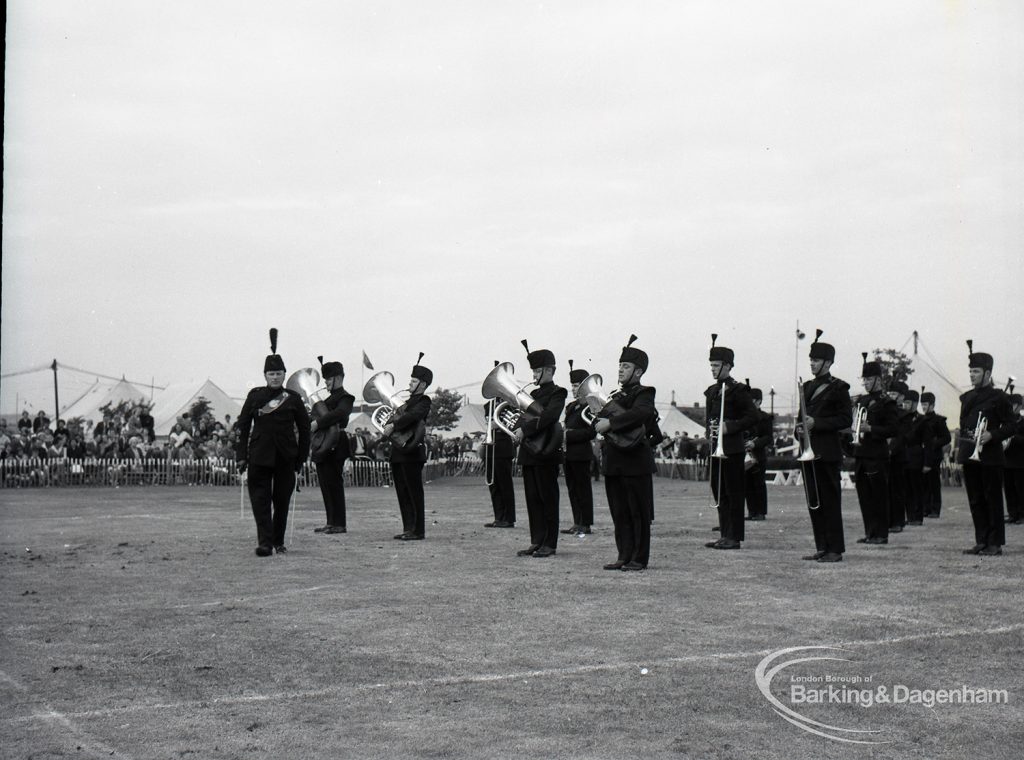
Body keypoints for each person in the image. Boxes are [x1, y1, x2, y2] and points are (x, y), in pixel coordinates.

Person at [235, 329, 311, 557]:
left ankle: (278, 541)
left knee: (281, 502)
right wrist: (241, 456)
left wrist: (300, 459)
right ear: (265, 375)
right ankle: (265, 543)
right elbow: (243, 426)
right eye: (271, 373)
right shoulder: (255, 396)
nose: (275, 377)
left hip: (286, 457)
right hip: (259, 455)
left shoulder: (293, 398)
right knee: (260, 502)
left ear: (284, 374)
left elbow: (305, 429)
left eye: (278, 373)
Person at [597, 335, 658, 571]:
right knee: (619, 512)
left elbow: (640, 414)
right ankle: (623, 554)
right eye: (620, 365)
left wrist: (610, 424)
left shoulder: (645, 393)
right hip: (614, 462)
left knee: (637, 513)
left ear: (638, 372)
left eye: (626, 366)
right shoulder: (615, 395)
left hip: (635, 463)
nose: (621, 370)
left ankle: (639, 558)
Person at [795, 330, 853, 563]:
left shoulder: (840, 388)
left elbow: (845, 420)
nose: (812, 364)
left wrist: (816, 423)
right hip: (808, 451)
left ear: (828, 363)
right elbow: (802, 416)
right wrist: (799, 429)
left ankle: (835, 549)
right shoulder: (807, 386)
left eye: (816, 360)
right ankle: (822, 546)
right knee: (814, 503)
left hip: (827, 453)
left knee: (830, 502)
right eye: (811, 360)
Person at [957, 341, 1015, 556]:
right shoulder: (968, 397)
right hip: (971, 454)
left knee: (992, 499)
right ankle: (981, 540)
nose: (971, 375)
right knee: (975, 499)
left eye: (976, 371)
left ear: (987, 373)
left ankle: (995, 543)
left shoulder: (1000, 397)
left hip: (990, 456)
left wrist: (992, 435)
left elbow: (1013, 424)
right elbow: (964, 423)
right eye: (970, 371)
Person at [511, 340, 567, 558]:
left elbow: (550, 417)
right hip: (529, 453)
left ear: (550, 370)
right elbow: (520, 418)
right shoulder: (531, 395)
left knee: (548, 499)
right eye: (533, 370)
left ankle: (549, 543)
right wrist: (517, 428)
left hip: (546, 453)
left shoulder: (558, 392)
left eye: (537, 370)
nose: (534, 374)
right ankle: (536, 540)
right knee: (533, 499)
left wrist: (524, 430)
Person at [703, 334, 759, 550]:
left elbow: (753, 417)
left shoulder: (738, 390)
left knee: (734, 493)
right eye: (711, 365)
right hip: (716, 449)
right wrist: (711, 431)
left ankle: (734, 537)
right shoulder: (713, 391)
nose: (713, 369)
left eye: (716, 365)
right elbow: (710, 417)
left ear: (727, 366)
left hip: (732, 449)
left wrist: (730, 426)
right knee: (720, 492)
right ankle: (724, 533)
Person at [384, 353, 433, 540]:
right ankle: (408, 528)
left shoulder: (424, 401)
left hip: (412, 451)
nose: (410, 384)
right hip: (398, 452)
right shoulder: (405, 403)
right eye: (411, 381)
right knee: (402, 492)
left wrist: (394, 425)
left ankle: (418, 530)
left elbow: (412, 417)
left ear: (422, 384)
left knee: (414, 492)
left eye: (413, 381)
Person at [852, 353, 899, 546]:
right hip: (861, 454)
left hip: (877, 454)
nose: (865, 382)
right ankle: (870, 532)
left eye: (869, 379)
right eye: (864, 379)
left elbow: (893, 429)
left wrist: (870, 429)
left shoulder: (887, 402)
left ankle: (881, 534)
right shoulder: (862, 401)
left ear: (878, 380)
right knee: (865, 496)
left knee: (879, 496)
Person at [311, 358, 355, 535]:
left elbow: (340, 414)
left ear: (338, 378)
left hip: (337, 442)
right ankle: (330, 521)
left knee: (334, 483)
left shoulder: (346, 397)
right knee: (325, 483)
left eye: (328, 379)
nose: (326, 382)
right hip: (323, 442)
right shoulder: (328, 399)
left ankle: (340, 523)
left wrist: (318, 422)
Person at [562, 359, 596, 535]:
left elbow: (591, 432)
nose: (574, 389)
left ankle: (586, 524)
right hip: (569, 454)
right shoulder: (571, 406)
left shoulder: (590, 407)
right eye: (572, 386)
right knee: (572, 489)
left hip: (581, 454)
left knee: (583, 489)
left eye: (576, 386)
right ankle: (577, 522)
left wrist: (567, 434)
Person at [482, 363, 517, 529]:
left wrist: (498, 423)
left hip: (503, 446)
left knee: (504, 484)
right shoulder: (488, 405)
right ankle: (498, 517)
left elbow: (514, 422)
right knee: (493, 484)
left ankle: (508, 518)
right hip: (491, 446)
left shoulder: (511, 403)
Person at [918, 387, 951, 518]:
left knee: (934, 483)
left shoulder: (939, 420)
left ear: (932, 405)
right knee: (924, 483)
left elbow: (947, 437)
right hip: (923, 456)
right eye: (922, 405)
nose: (923, 407)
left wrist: (933, 444)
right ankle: (926, 508)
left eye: (925, 404)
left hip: (934, 456)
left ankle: (935, 509)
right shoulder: (920, 420)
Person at [743, 383, 773, 521]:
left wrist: (755, 443)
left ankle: (761, 512)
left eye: (752, 401)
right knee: (747, 484)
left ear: (759, 401)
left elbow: (768, 437)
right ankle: (752, 511)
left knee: (758, 484)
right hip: (745, 455)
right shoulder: (744, 417)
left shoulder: (765, 417)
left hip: (758, 455)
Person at [886, 381, 911, 533]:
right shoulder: (887, 411)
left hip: (898, 456)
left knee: (897, 490)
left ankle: (898, 521)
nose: (891, 396)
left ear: (901, 397)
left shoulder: (905, 415)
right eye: (889, 393)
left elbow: (901, 437)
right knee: (887, 490)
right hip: (885, 455)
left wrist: (890, 450)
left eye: (894, 394)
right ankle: (888, 520)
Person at [901, 389, 926, 526]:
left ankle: (918, 516)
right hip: (903, 456)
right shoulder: (901, 418)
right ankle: (909, 516)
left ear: (915, 404)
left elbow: (927, 442)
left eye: (908, 402)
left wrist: (927, 462)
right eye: (904, 402)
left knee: (917, 488)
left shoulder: (922, 420)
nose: (905, 405)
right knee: (906, 489)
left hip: (916, 457)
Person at [1003, 393, 1024, 525]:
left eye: (1014, 405)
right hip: (1006, 460)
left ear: (1020, 406)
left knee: (1021, 489)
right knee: (1009, 488)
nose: (1011, 407)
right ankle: (1012, 514)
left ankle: (1022, 515)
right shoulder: (1006, 422)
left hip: (1021, 462)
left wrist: (1013, 438)